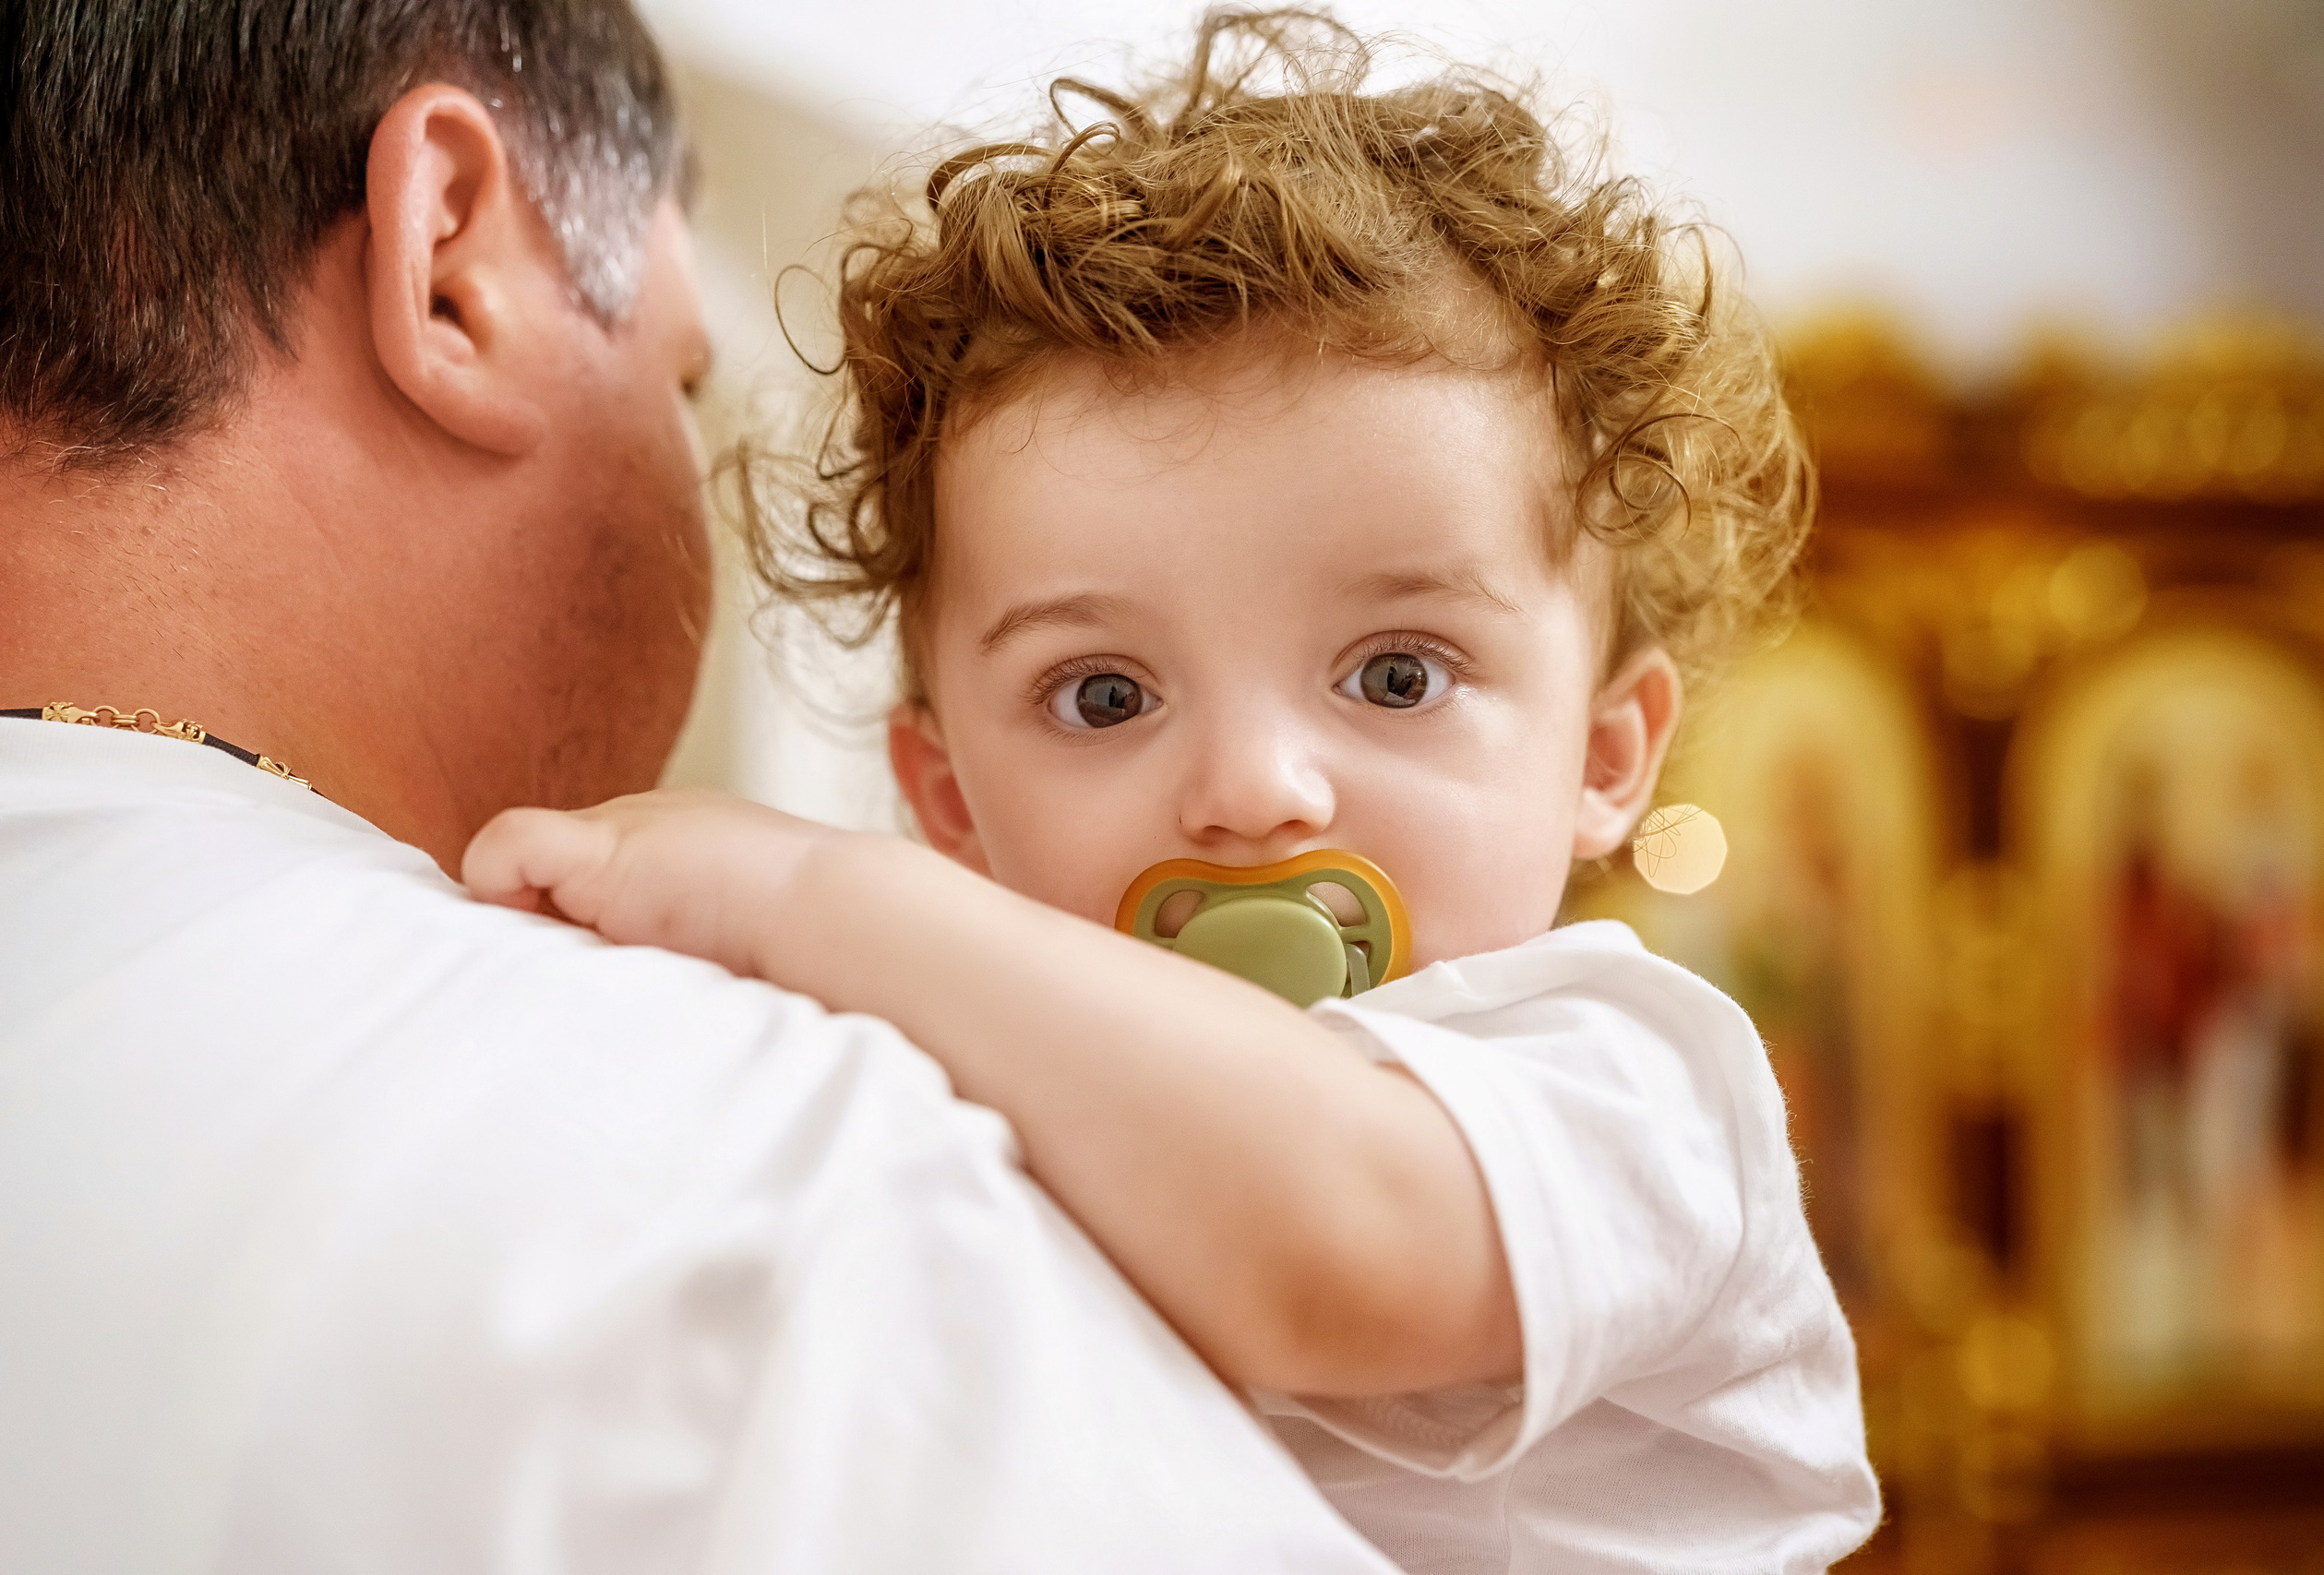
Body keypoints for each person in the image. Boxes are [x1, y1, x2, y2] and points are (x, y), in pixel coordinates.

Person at [464, 12, 1885, 1573]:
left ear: (1607, 756)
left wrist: (813, 897)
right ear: (948, 796)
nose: (1253, 791)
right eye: (1105, 696)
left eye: (1397, 676)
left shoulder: (1639, 1084)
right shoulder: (961, 1084)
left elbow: (1336, 1245)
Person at [0, 5, 1400, 1571]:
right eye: (682, 380)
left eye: (1397, 675)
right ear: (450, 261)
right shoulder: (755, 1188)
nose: (1252, 789)